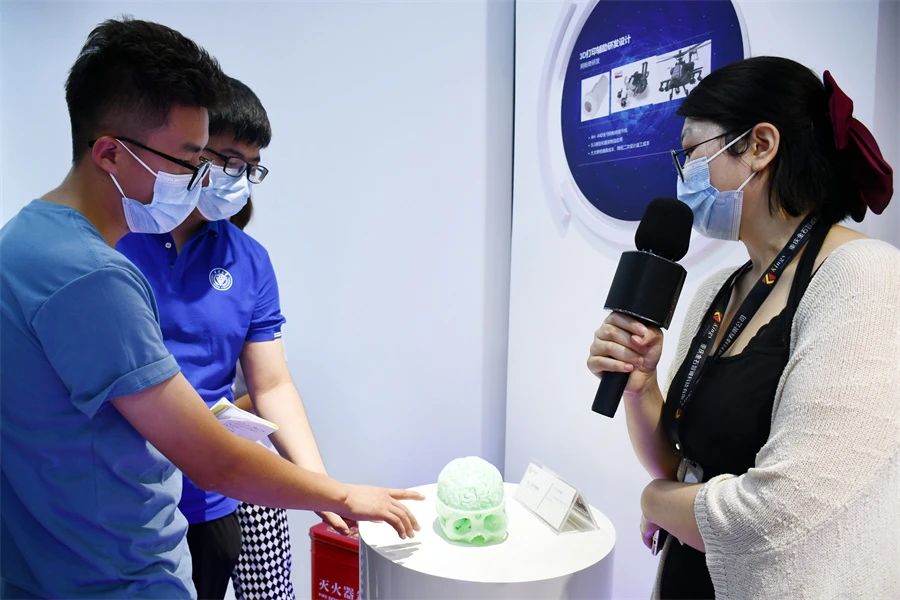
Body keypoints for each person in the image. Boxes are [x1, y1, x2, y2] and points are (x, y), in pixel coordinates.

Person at [0, 18, 420, 599]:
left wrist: (316, 480)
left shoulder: (24, 240)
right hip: (115, 572)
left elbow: (269, 384)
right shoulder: (95, 276)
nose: (202, 181)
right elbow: (212, 459)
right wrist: (342, 494)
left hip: (47, 561)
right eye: (190, 160)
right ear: (110, 153)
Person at [587, 56, 898, 599]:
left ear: (760, 145)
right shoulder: (718, 290)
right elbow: (683, 464)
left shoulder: (864, 278)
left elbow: (777, 514)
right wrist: (641, 388)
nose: (682, 174)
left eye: (690, 151)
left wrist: (654, 500)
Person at [117, 77, 340, 599]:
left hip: (210, 497)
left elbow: (272, 385)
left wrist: (323, 487)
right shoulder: (116, 238)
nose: (237, 179)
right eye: (229, 160)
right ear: (189, 147)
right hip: (125, 495)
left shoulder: (249, 260)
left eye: (250, 167)